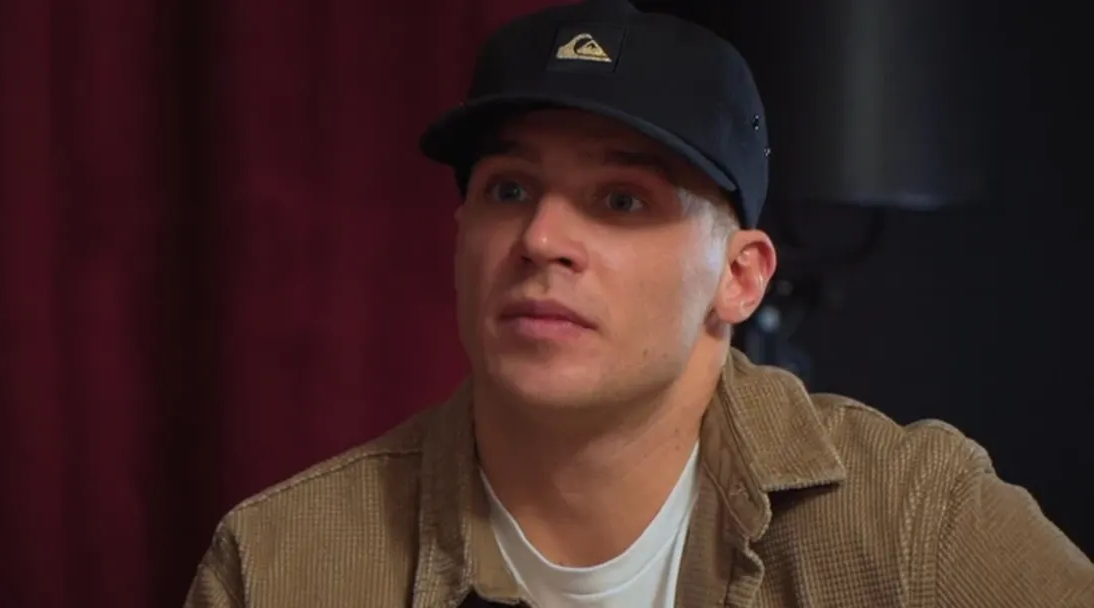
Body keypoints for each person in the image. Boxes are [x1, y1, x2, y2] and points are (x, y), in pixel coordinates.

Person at [184, 1, 1094, 606]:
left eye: (621, 200)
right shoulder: (283, 564)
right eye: (509, 190)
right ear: (461, 238)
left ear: (741, 278)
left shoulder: (913, 522)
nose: (541, 237)